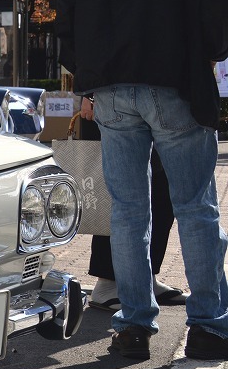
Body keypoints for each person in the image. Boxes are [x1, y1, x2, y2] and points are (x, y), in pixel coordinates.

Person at [55, 0, 228, 361]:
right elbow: (219, 0)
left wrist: (81, 74)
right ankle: (209, 327)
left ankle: (134, 328)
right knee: (196, 205)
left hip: (111, 87)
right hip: (177, 82)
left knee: (128, 211)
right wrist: (212, 63)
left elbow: (67, 4)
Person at [78, 95, 182, 311]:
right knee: (119, 196)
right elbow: (86, 59)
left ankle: (147, 277)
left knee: (161, 193)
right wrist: (87, 94)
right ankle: (106, 283)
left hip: (158, 96)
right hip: (114, 95)